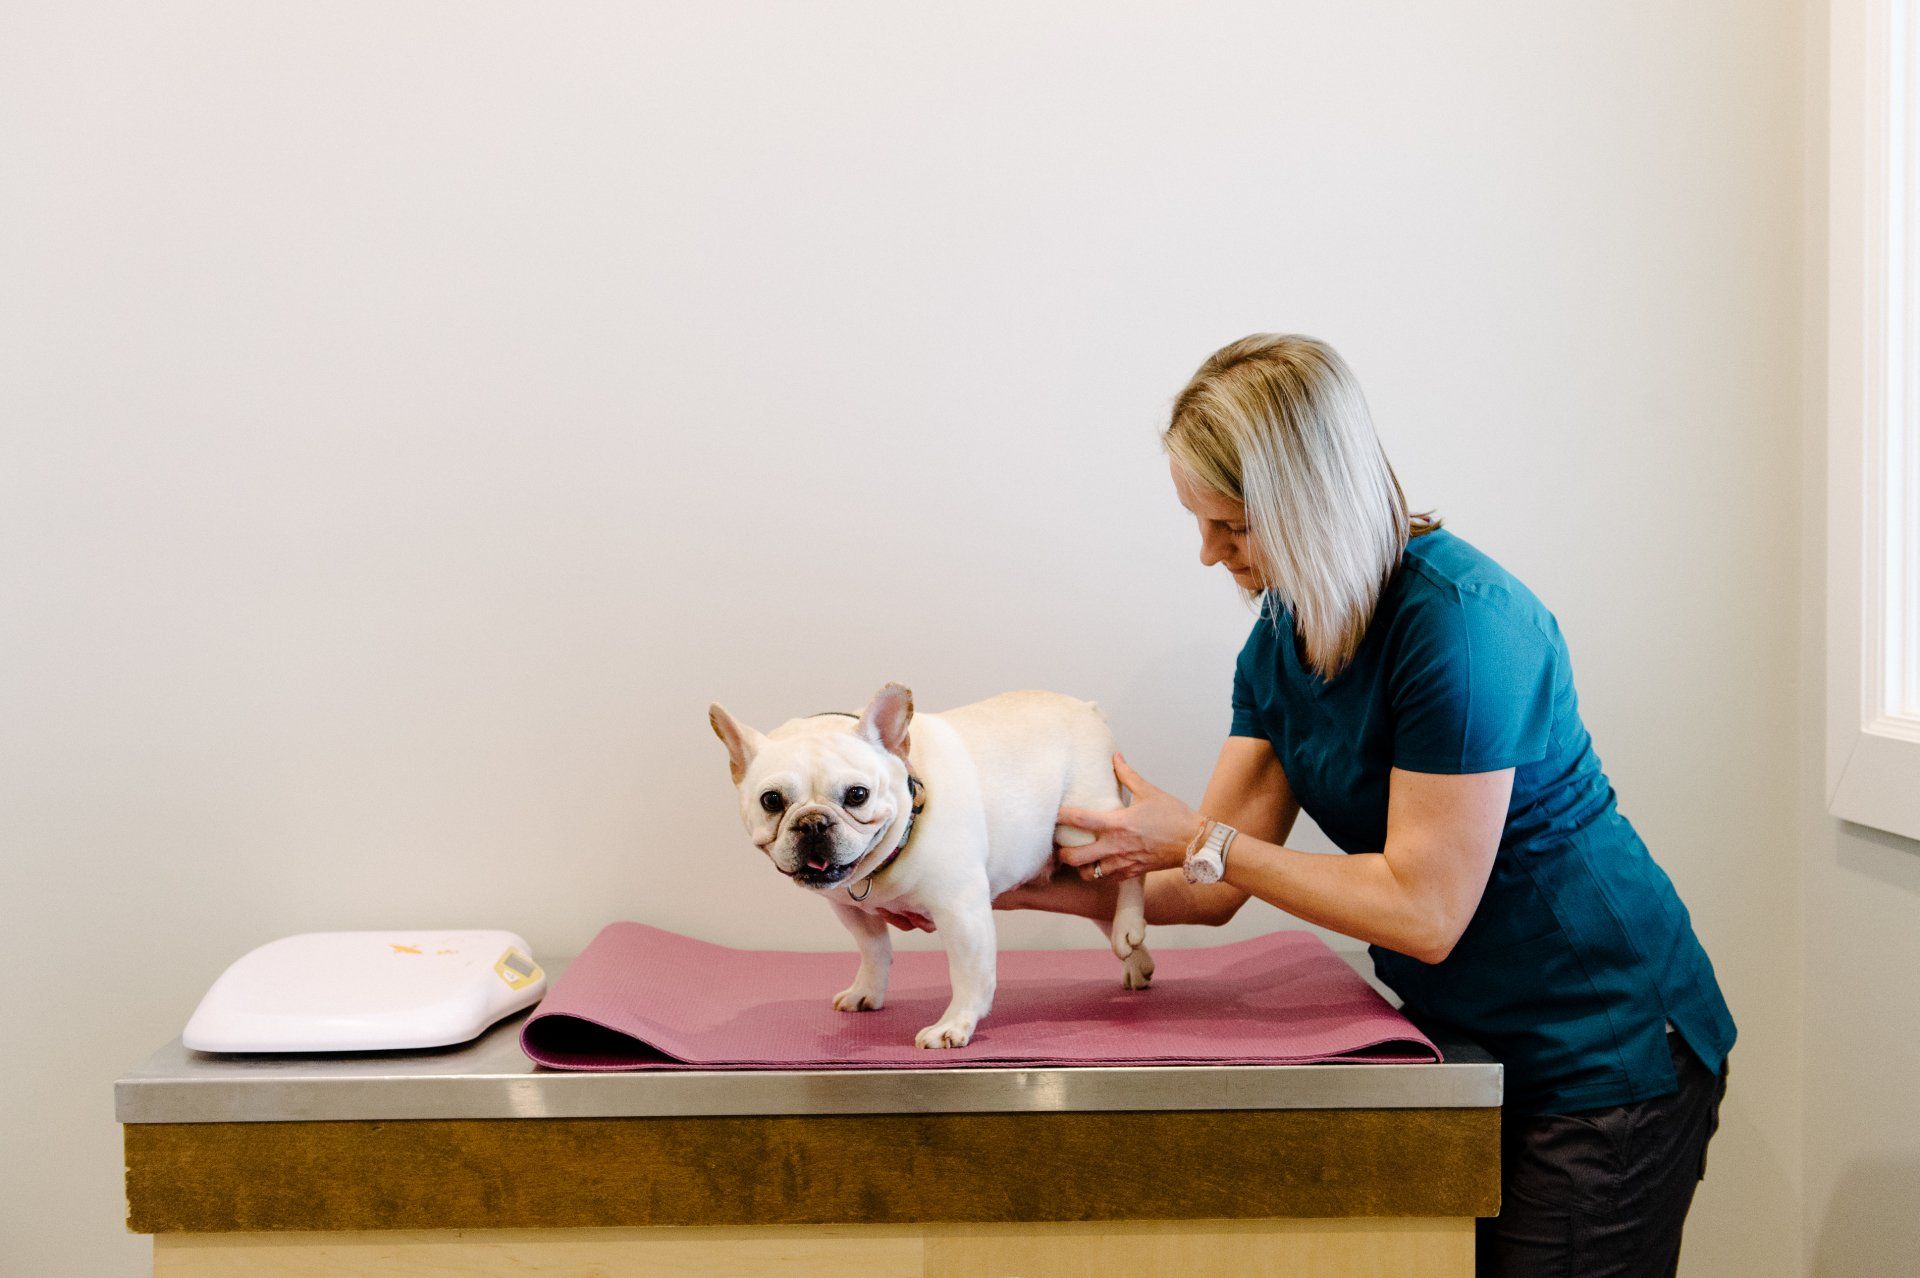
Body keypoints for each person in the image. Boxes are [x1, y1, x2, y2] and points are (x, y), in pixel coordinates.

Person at [882, 334, 1735, 1277]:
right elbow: (1206, 887)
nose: (1208, 555)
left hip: (1604, 1049)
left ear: (1309, 506)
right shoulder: (1282, 645)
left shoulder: (1463, 630)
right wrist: (984, 883)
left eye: (1232, 527)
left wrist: (1201, 839)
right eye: (1199, 524)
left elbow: (1421, 912)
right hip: (1462, 1040)